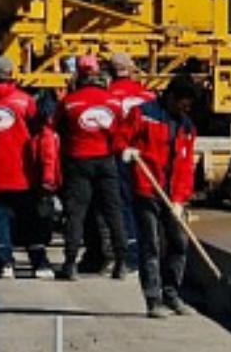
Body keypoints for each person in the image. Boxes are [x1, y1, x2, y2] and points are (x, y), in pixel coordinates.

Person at [0, 56, 55, 279]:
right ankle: (39, 264)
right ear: (11, 74)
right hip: (22, 172)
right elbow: (39, 133)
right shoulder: (24, 101)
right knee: (30, 219)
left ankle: (5, 263)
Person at [121, 75, 199, 319]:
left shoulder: (187, 127)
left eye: (189, 106)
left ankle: (172, 294)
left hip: (172, 195)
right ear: (171, 97)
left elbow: (185, 167)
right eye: (182, 104)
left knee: (179, 243)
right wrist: (127, 149)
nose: (185, 109)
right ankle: (153, 299)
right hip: (147, 189)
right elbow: (119, 137)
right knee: (151, 245)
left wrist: (180, 199)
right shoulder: (143, 114)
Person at [56, 54, 128, 280]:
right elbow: (122, 131)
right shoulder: (113, 102)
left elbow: (56, 126)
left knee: (76, 214)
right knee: (113, 212)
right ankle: (121, 264)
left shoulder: (69, 102)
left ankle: (70, 264)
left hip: (77, 160)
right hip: (106, 160)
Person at [105, 52, 155, 259]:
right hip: (145, 156)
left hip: (117, 155)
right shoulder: (148, 96)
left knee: (122, 203)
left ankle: (129, 251)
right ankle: (148, 247)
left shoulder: (107, 96)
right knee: (146, 202)